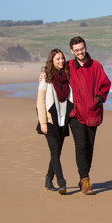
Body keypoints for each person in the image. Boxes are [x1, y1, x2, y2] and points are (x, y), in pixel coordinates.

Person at [67, 36, 111, 195]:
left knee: (90, 147)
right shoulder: (68, 66)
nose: (80, 52)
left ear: (85, 47)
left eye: (82, 48)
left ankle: (83, 177)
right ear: (72, 51)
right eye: (76, 50)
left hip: (92, 112)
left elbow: (106, 84)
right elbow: (55, 76)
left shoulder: (96, 66)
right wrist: (44, 74)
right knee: (81, 145)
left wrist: (98, 99)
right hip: (75, 113)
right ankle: (85, 179)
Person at [36, 49, 74, 195]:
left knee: (56, 153)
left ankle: (48, 179)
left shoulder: (67, 76)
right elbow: (40, 102)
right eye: (57, 59)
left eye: (62, 58)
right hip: (50, 120)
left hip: (63, 120)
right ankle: (62, 182)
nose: (61, 61)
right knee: (55, 151)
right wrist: (43, 123)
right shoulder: (46, 77)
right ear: (51, 61)